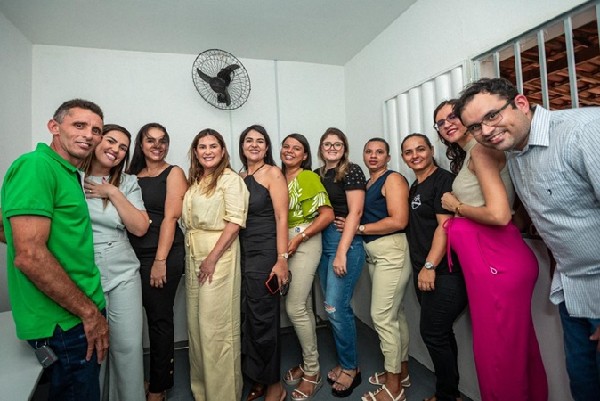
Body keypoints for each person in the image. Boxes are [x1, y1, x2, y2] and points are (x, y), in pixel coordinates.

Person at [454, 77, 600, 401]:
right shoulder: (514, 152)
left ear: (520, 103)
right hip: (573, 291)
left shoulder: (584, 130)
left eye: (492, 115)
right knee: (584, 386)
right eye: (475, 127)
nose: (486, 131)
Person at [437, 97, 547, 401]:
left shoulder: (481, 151)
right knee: (515, 348)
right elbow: (512, 209)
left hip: (494, 261)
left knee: (498, 355)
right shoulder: (474, 153)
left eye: (452, 116)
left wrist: (456, 206)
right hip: (493, 258)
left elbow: (499, 215)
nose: (447, 124)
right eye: (440, 122)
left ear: (467, 120)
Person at [1, 99, 109, 401]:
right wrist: (89, 312)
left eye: (96, 130)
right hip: (65, 320)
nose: (89, 135)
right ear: (54, 127)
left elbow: (7, 227)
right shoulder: (36, 166)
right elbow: (29, 255)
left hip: (76, 310)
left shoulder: (67, 172)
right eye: (79, 125)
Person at [82, 124, 149, 401]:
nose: (116, 150)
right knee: (92, 347)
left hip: (123, 271)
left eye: (123, 147)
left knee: (128, 347)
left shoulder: (128, 183)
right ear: (97, 140)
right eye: (110, 141)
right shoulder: (72, 176)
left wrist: (113, 192)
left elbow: (140, 227)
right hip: (82, 271)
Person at [181, 129, 249, 401]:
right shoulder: (197, 181)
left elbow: (234, 223)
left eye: (213, 146)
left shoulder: (230, 180)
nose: (207, 151)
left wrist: (211, 259)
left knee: (216, 329)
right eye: (202, 147)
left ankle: (223, 395)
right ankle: (203, 392)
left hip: (218, 255)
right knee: (197, 327)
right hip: (193, 254)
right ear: (195, 152)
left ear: (222, 151)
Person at [401, 132, 468, 401]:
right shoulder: (415, 187)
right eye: (408, 152)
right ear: (403, 157)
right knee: (440, 333)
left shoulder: (443, 180)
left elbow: (445, 226)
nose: (415, 155)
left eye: (420, 149)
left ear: (431, 150)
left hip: (444, 272)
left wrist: (429, 265)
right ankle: (450, 393)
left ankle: (447, 395)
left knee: (432, 332)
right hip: (424, 271)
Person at [127, 123, 188, 401]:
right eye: (150, 140)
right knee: (128, 321)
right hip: (131, 256)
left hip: (163, 254)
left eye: (162, 140)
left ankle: (158, 387)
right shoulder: (129, 176)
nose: (157, 145)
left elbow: (171, 218)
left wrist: (160, 260)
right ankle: (131, 379)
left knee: (159, 319)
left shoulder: (173, 173)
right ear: (140, 145)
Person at [353, 138, 411, 401]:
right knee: (395, 315)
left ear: (388, 157)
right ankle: (401, 372)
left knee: (382, 317)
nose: (373, 156)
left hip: (391, 251)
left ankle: (393, 388)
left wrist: (359, 229)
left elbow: (399, 220)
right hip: (375, 253)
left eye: (379, 152)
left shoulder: (393, 179)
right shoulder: (369, 183)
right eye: (369, 151)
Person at [280, 133, 334, 401]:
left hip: (304, 241)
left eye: (297, 148)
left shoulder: (308, 177)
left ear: (304, 155)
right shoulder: (278, 177)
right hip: (283, 242)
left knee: (295, 307)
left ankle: (313, 371)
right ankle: (306, 362)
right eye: (286, 146)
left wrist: (300, 238)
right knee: (300, 306)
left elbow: (327, 215)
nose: (290, 151)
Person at [314, 127, 367, 398]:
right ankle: (346, 361)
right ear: (321, 148)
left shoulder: (352, 170)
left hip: (344, 242)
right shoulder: (316, 174)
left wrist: (341, 252)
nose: (332, 148)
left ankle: (351, 367)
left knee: (336, 308)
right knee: (330, 307)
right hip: (322, 242)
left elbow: (355, 212)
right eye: (327, 144)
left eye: (337, 144)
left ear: (344, 148)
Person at [238, 125, 289, 401]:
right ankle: (257, 377)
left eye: (260, 141)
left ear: (267, 147)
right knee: (247, 317)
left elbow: (282, 218)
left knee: (264, 318)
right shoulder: (239, 176)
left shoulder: (273, 173)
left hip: (265, 251)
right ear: (242, 146)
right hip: (242, 253)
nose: (254, 145)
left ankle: (275, 386)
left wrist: (282, 259)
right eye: (249, 140)